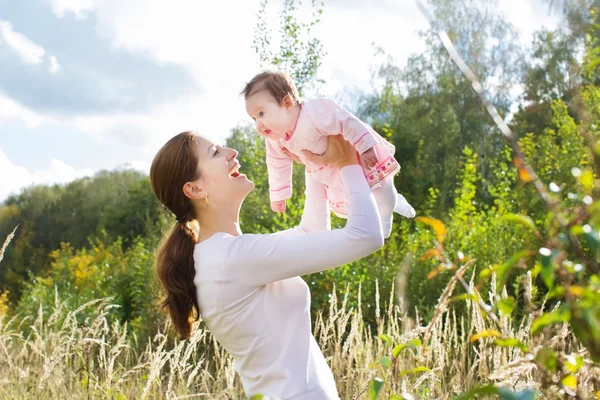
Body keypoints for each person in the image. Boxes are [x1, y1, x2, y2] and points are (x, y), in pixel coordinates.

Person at [149, 131, 384, 400]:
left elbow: (312, 231)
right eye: (215, 152)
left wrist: (312, 160)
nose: (231, 152)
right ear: (195, 189)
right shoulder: (234, 257)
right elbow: (366, 236)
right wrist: (346, 162)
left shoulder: (222, 254)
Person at [242, 71, 415, 239]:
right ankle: (390, 206)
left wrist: (366, 147)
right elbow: (276, 165)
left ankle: (388, 213)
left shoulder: (314, 112)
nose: (258, 124)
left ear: (287, 103)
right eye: (254, 119)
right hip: (335, 173)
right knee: (361, 201)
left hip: (360, 160)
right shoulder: (275, 139)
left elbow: (347, 122)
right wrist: (279, 195)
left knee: (383, 194)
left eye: (261, 114)